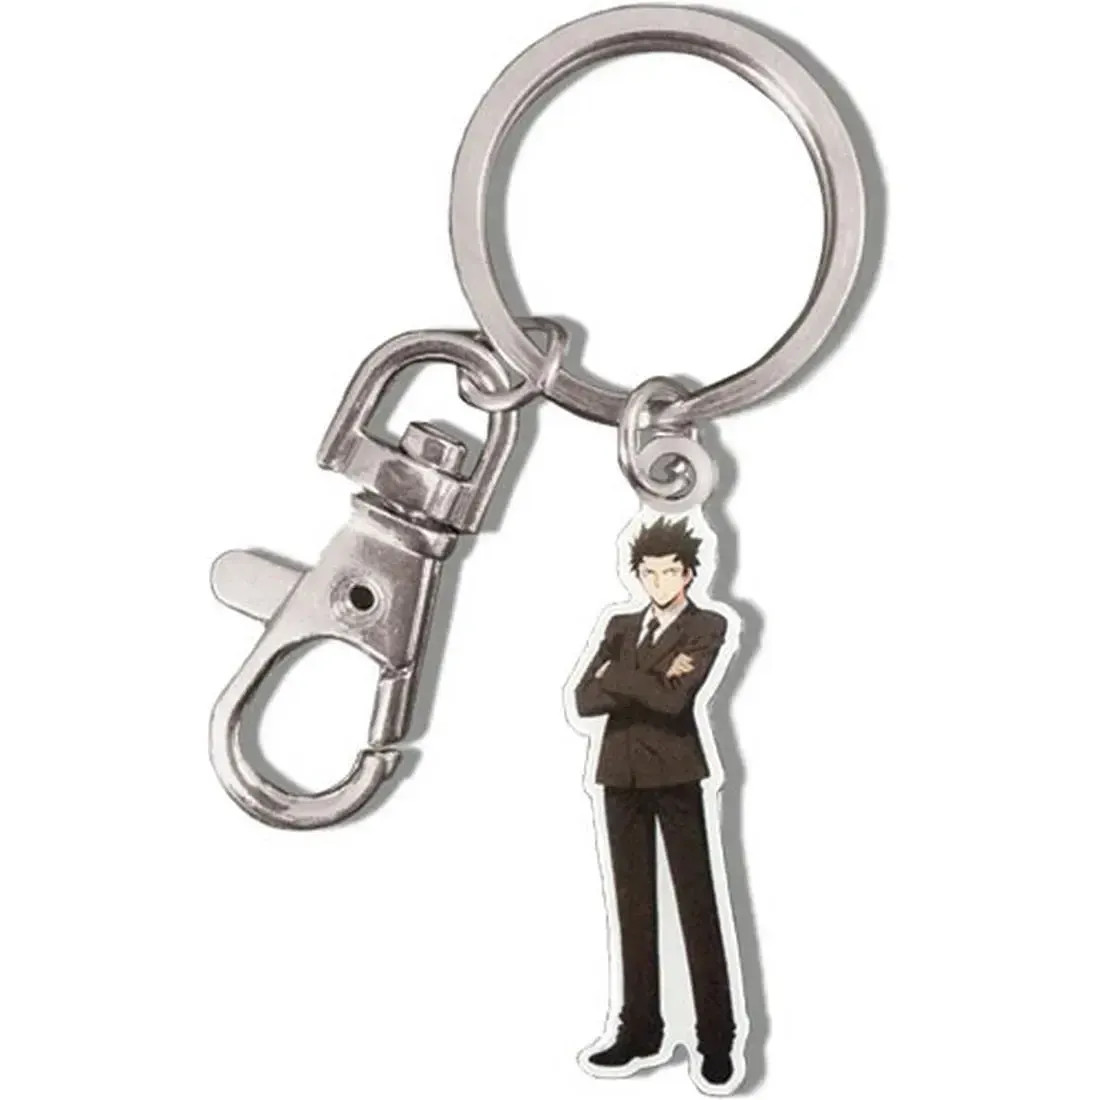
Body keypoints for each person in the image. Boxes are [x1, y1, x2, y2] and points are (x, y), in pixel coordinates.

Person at [574, 517, 737, 1087]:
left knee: (697, 904)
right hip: (619, 774)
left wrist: (619, 676)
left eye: (671, 572)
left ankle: (716, 1038)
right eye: (650, 572)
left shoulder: (707, 625)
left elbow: (674, 703)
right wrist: (649, 676)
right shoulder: (620, 625)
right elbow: (584, 698)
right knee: (633, 907)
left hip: (675, 774)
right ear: (637, 575)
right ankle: (639, 1031)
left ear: (689, 574)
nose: (660, 582)